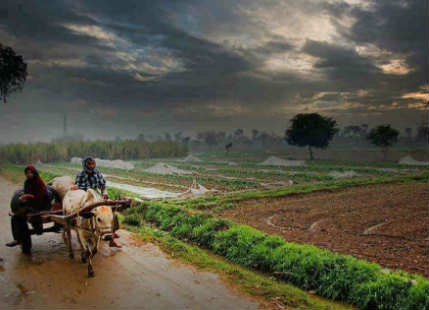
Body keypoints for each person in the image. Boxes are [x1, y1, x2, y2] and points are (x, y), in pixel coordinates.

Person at [71, 157, 121, 248]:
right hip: (86, 195)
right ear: (85, 165)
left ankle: (112, 236)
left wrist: (105, 193)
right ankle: (87, 232)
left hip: (98, 195)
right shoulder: (81, 174)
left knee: (111, 213)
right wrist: (76, 187)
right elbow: (77, 185)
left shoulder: (97, 172)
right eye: (89, 164)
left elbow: (103, 185)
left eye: (93, 164)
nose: (91, 166)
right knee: (87, 213)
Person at [6, 165, 60, 249]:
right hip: (32, 205)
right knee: (16, 217)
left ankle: (57, 227)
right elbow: (27, 194)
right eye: (27, 173)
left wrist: (30, 196)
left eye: (30, 172)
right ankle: (17, 239)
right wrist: (25, 197)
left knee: (18, 215)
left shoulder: (39, 182)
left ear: (34, 173)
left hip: (43, 205)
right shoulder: (27, 182)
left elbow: (42, 196)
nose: (29, 174)